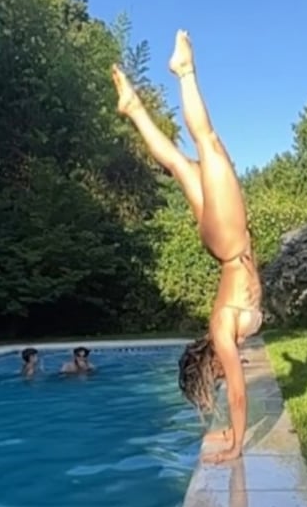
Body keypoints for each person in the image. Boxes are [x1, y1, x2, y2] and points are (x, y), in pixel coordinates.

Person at [112, 30, 262, 465]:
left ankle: (184, 72)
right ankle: (134, 108)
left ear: (209, 365)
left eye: (213, 376)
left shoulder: (221, 332)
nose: (223, 376)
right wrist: (233, 438)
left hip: (228, 241)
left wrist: (235, 445)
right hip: (225, 245)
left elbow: (237, 392)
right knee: (182, 163)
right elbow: (234, 389)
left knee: (208, 145)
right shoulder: (224, 332)